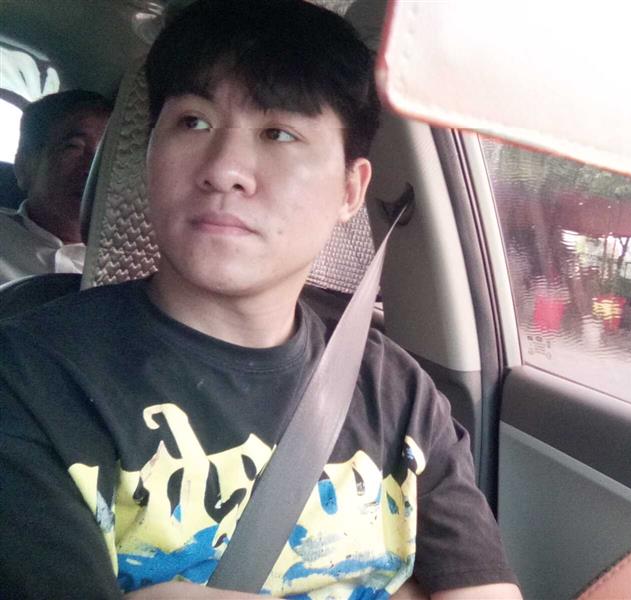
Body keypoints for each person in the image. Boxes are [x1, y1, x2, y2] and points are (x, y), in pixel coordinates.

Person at [0, 1, 522, 598]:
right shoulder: (27, 379)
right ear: (147, 155)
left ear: (350, 190)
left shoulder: (398, 394)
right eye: (193, 122)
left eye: (279, 133)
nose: (224, 169)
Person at [0, 90, 111, 284]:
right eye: (74, 147)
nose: (94, 169)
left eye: (106, 152)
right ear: (23, 166)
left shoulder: (138, 264)